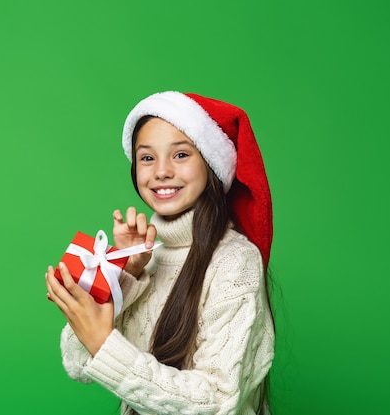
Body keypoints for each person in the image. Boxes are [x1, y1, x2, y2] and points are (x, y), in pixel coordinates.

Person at [45, 91, 275, 415]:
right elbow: (78, 363)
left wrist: (104, 344)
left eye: (180, 155)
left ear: (211, 163)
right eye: (147, 157)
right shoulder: (143, 257)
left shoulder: (235, 262)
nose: (161, 171)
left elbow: (218, 401)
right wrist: (122, 275)